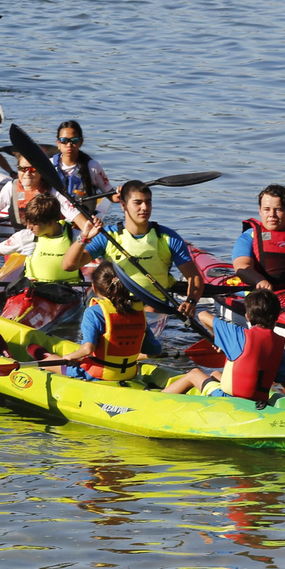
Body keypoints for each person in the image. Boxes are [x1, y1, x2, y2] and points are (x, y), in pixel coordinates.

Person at [63, 180, 204, 317]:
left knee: (151, 311)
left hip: (154, 306)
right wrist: (83, 238)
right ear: (123, 205)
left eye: (148, 202)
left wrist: (190, 301)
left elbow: (194, 277)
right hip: (117, 303)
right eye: (138, 203)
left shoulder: (168, 237)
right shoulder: (108, 236)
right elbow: (68, 266)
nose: (145, 207)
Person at [164, 287, 285, 403]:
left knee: (194, 373)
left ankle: (158, 400)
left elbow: (202, 315)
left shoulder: (236, 334)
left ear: (247, 317)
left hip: (230, 400)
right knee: (215, 374)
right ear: (277, 317)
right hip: (257, 402)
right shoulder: (279, 347)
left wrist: (218, 339)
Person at [45, 264, 163, 382]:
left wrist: (70, 356)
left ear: (94, 288)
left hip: (96, 374)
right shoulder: (138, 311)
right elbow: (154, 351)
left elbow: (88, 349)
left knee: (47, 361)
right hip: (128, 373)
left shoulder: (93, 312)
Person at [0, 155, 88, 240]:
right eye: (22, 169)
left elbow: (79, 220)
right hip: (21, 242)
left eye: (32, 169)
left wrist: (88, 236)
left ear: (41, 171)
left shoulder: (53, 191)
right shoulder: (11, 188)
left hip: (48, 242)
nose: (27, 173)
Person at [50, 120, 112, 206]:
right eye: (64, 140)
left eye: (74, 140)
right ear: (58, 143)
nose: (69, 144)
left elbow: (112, 196)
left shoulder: (93, 167)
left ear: (81, 142)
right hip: (53, 216)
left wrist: (123, 191)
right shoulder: (48, 165)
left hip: (82, 216)